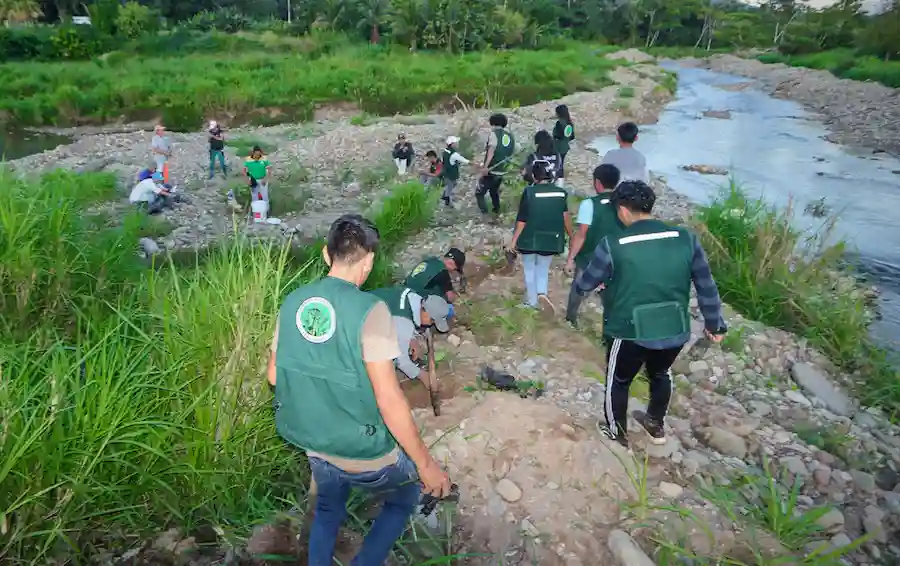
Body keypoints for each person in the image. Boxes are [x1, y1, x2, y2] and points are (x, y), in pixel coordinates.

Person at [268, 214, 451, 566]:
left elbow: (275, 375)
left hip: (310, 440)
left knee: (327, 506)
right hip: (361, 448)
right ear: (368, 261)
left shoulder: (293, 301)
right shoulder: (371, 310)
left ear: (326, 254)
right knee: (405, 495)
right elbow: (388, 399)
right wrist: (426, 464)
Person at [574, 181, 727, 449]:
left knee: (619, 380)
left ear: (622, 209)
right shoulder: (685, 238)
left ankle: (616, 433)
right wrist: (715, 324)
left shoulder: (614, 244)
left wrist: (598, 284)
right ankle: (655, 424)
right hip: (675, 327)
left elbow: (585, 283)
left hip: (629, 329)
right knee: (661, 373)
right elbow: (706, 285)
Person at [564, 164, 623, 328]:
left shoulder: (589, 204)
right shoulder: (623, 205)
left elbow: (581, 234)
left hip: (589, 257)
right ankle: (609, 329)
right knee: (610, 297)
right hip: (616, 258)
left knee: (578, 289)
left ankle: (571, 319)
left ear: (597, 182)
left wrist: (570, 259)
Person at [509, 159, 572, 313]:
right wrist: (572, 235)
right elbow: (565, 217)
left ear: (535, 176)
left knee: (529, 268)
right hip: (551, 239)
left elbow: (522, 219)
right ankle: (542, 294)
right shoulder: (561, 193)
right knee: (543, 268)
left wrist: (513, 241)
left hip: (530, 238)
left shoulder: (529, 192)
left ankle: (532, 301)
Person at [368, 286, 453, 380]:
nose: (430, 324)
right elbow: (402, 361)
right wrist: (422, 375)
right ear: (426, 312)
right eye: (432, 321)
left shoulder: (413, 296)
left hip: (365, 307)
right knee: (388, 360)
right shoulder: (403, 322)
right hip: (357, 327)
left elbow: (406, 319)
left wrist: (412, 339)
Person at [477, 113, 515, 217]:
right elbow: (511, 153)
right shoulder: (510, 136)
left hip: (492, 170)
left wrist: (485, 167)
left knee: (479, 193)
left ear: (493, 123)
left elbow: (491, 151)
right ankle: (496, 211)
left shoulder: (493, 134)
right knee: (494, 191)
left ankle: (485, 215)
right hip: (503, 170)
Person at [440, 136, 471, 208]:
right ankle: (447, 202)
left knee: (452, 184)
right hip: (451, 173)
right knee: (451, 186)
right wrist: (476, 164)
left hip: (446, 171)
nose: (457, 144)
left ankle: (445, 196)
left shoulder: (446, 151)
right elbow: (465, 161)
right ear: (452, 144)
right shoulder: (454, 154)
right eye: (456, 142)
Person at [552, 105, 575, 188]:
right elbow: (572, 137)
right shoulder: (570, 123)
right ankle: (560, 184)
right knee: (561, 165)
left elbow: (557, 136)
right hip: (565, 147)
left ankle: (556, 184)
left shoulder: (559, 123)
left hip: (558, 148)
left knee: (556, 165)